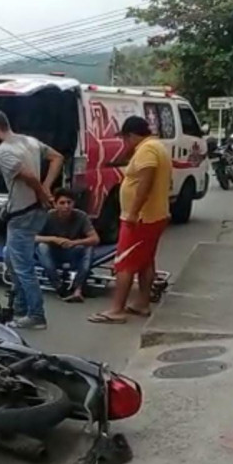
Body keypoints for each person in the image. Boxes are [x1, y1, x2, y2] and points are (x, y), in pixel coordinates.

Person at [0, 110, 64, 330]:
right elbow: (57, 158)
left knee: (23, 266)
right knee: (10, 255)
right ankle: (20, 305)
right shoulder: (30, 141)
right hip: (33, 210)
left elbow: (28, 176)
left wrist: (42, 191)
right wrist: (46, 189)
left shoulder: (4, 151)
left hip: (23, 213)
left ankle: (36, 314)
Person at [89, 116, 171, 325]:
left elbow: (145, 181)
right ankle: (142, 303)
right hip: (155, 215)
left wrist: (133, 212)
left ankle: (117, 309)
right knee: (145, 261)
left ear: (132, 135)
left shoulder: (147, 150)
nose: (125, 144)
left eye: (125, 139)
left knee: (124, 263)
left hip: (141, 218)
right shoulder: (157, 146)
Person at [35, 188, 100, 303]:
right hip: (52, 253)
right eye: (62, 203)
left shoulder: (81, 216)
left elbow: (95, 239)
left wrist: (74, 242)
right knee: (42, 247)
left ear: (73, 204)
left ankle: (78, 288)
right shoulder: (48, 216)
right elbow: (32, 237)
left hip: (71, 251)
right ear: (55, 204)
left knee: (88, 249)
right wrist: (54, 239)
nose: (66, 206)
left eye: (69, 203)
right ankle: (59, 287)